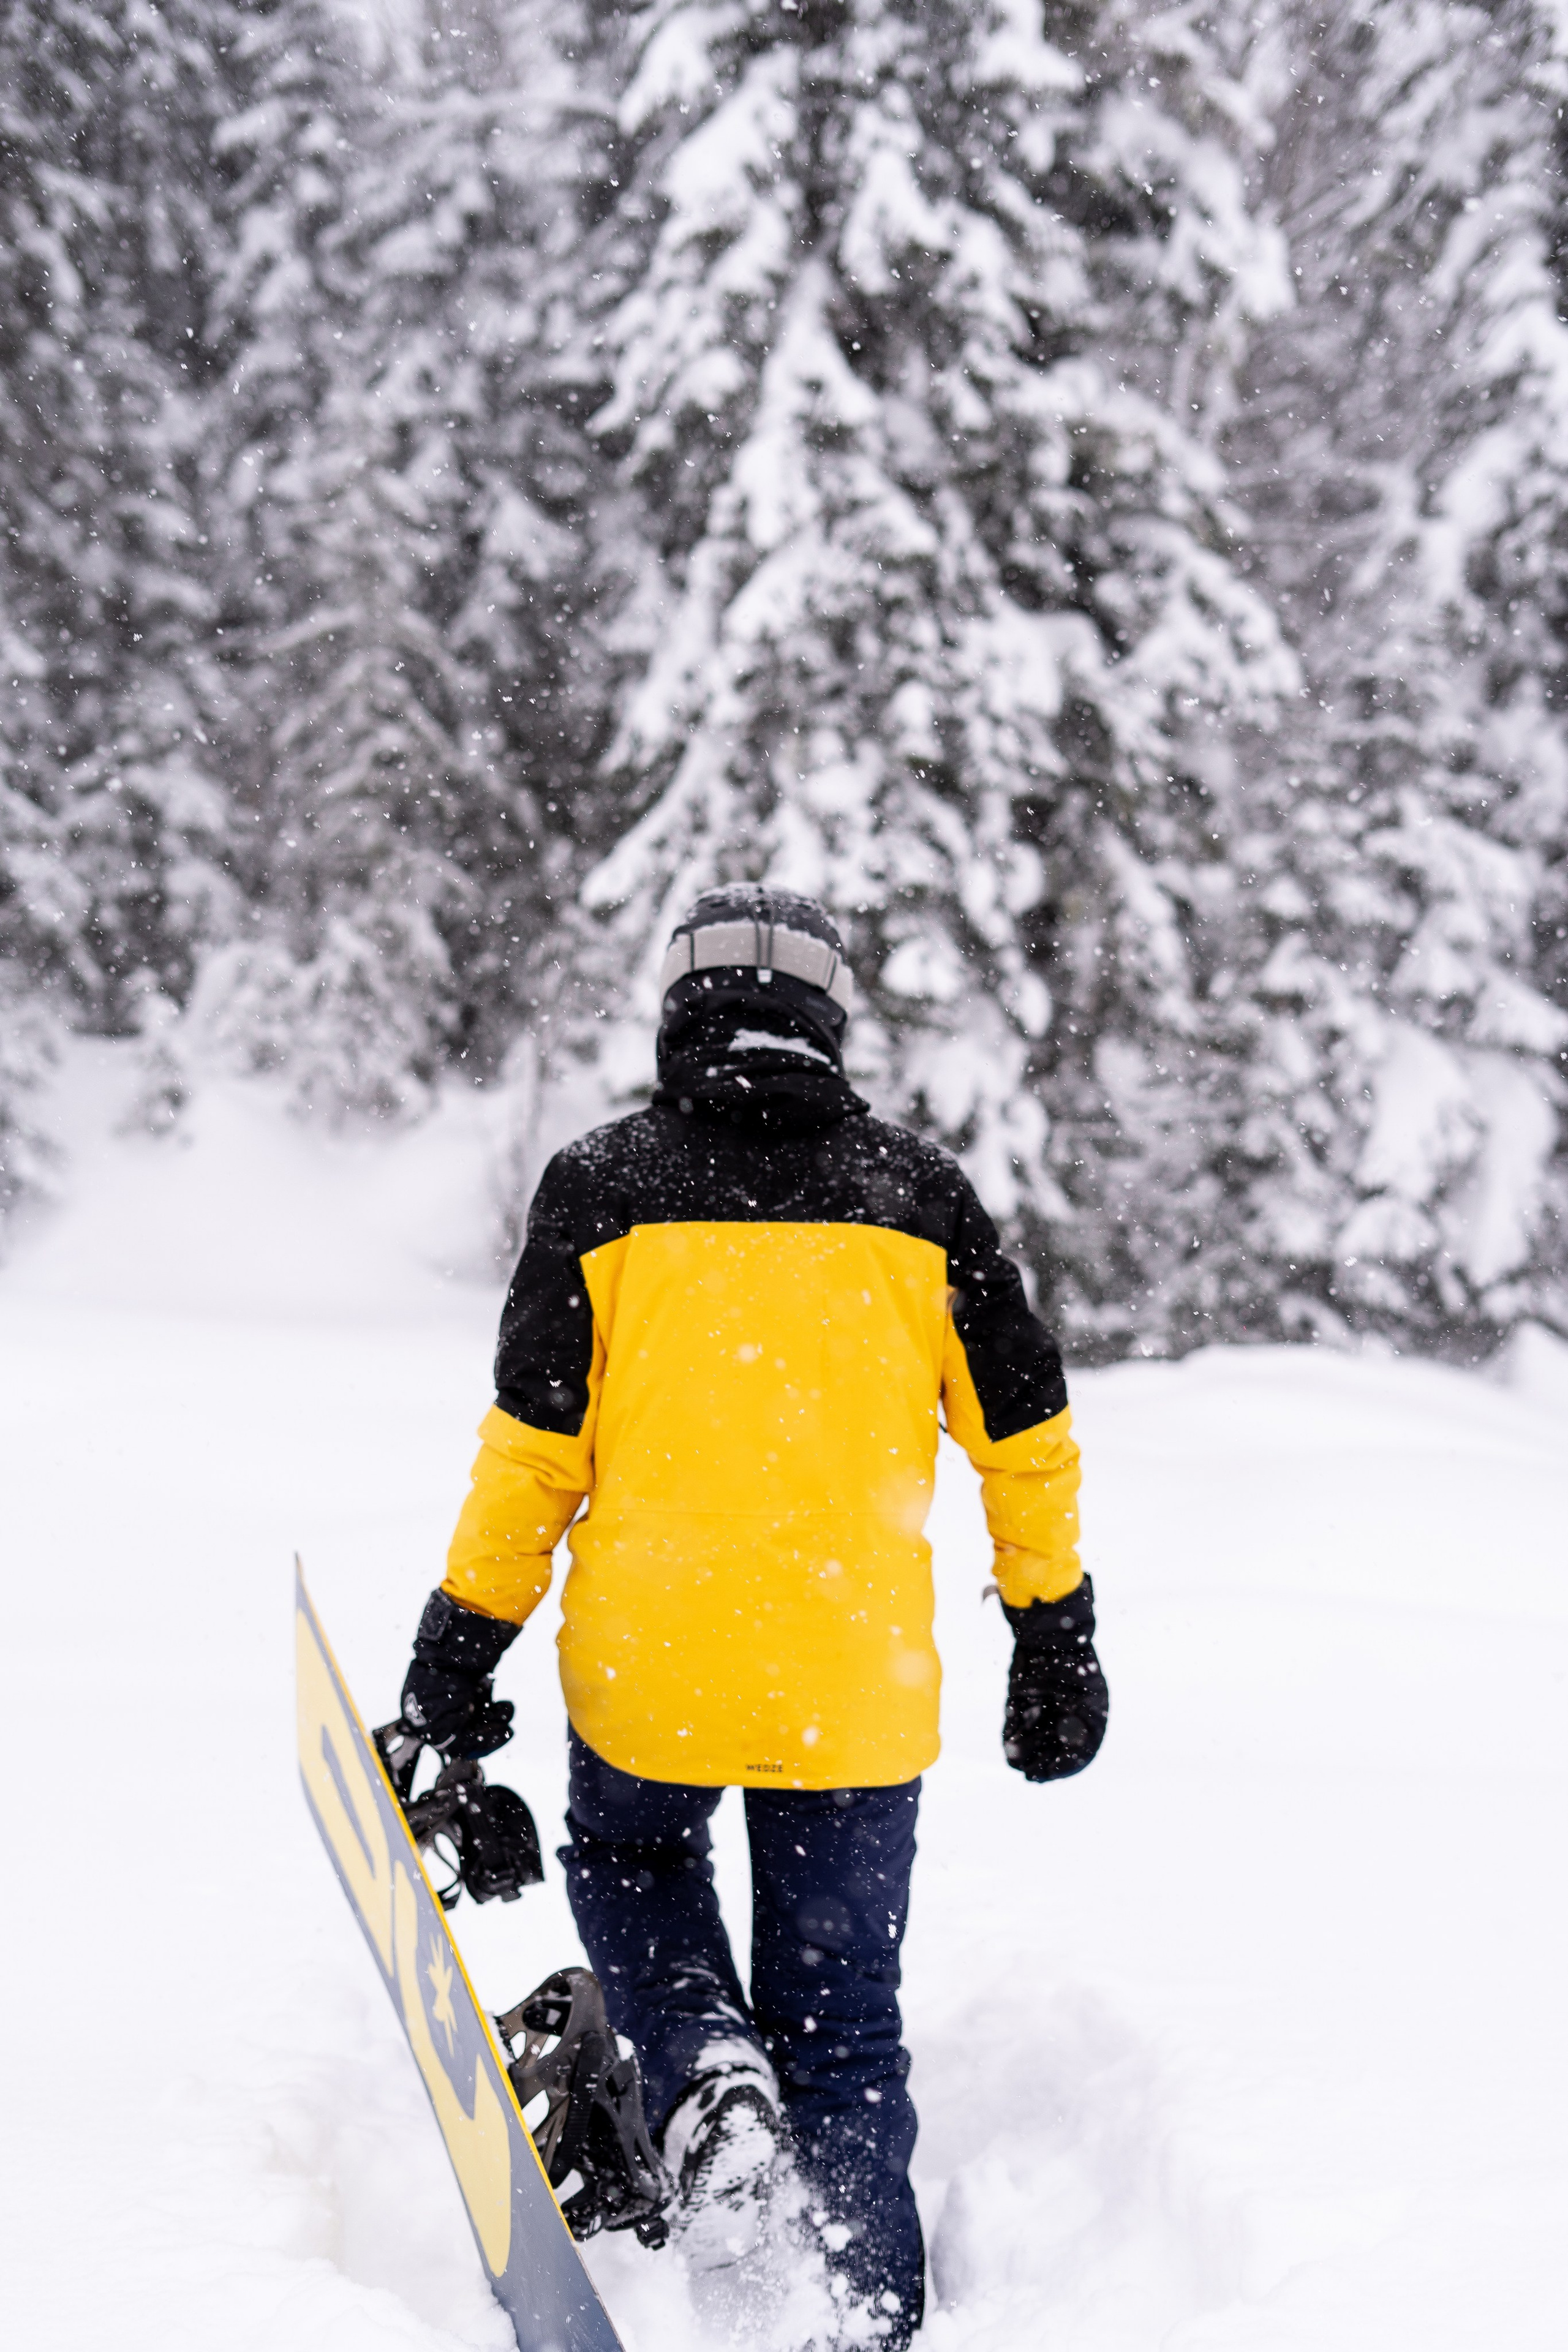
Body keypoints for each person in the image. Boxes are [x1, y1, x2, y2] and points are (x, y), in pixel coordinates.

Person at [395, 886, 1109, 2343]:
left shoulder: (600, 1187)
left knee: (637, 1856)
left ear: (679, 1010)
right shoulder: (919, 1195)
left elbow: (534, 1453)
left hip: (650, 1665)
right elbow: (1023, 1433)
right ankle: (852, 2315)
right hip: (850, 1679)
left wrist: (459, 1646)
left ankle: (705, 2071)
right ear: (827, 1021)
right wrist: (1052, 1628)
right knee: (842, 2022)